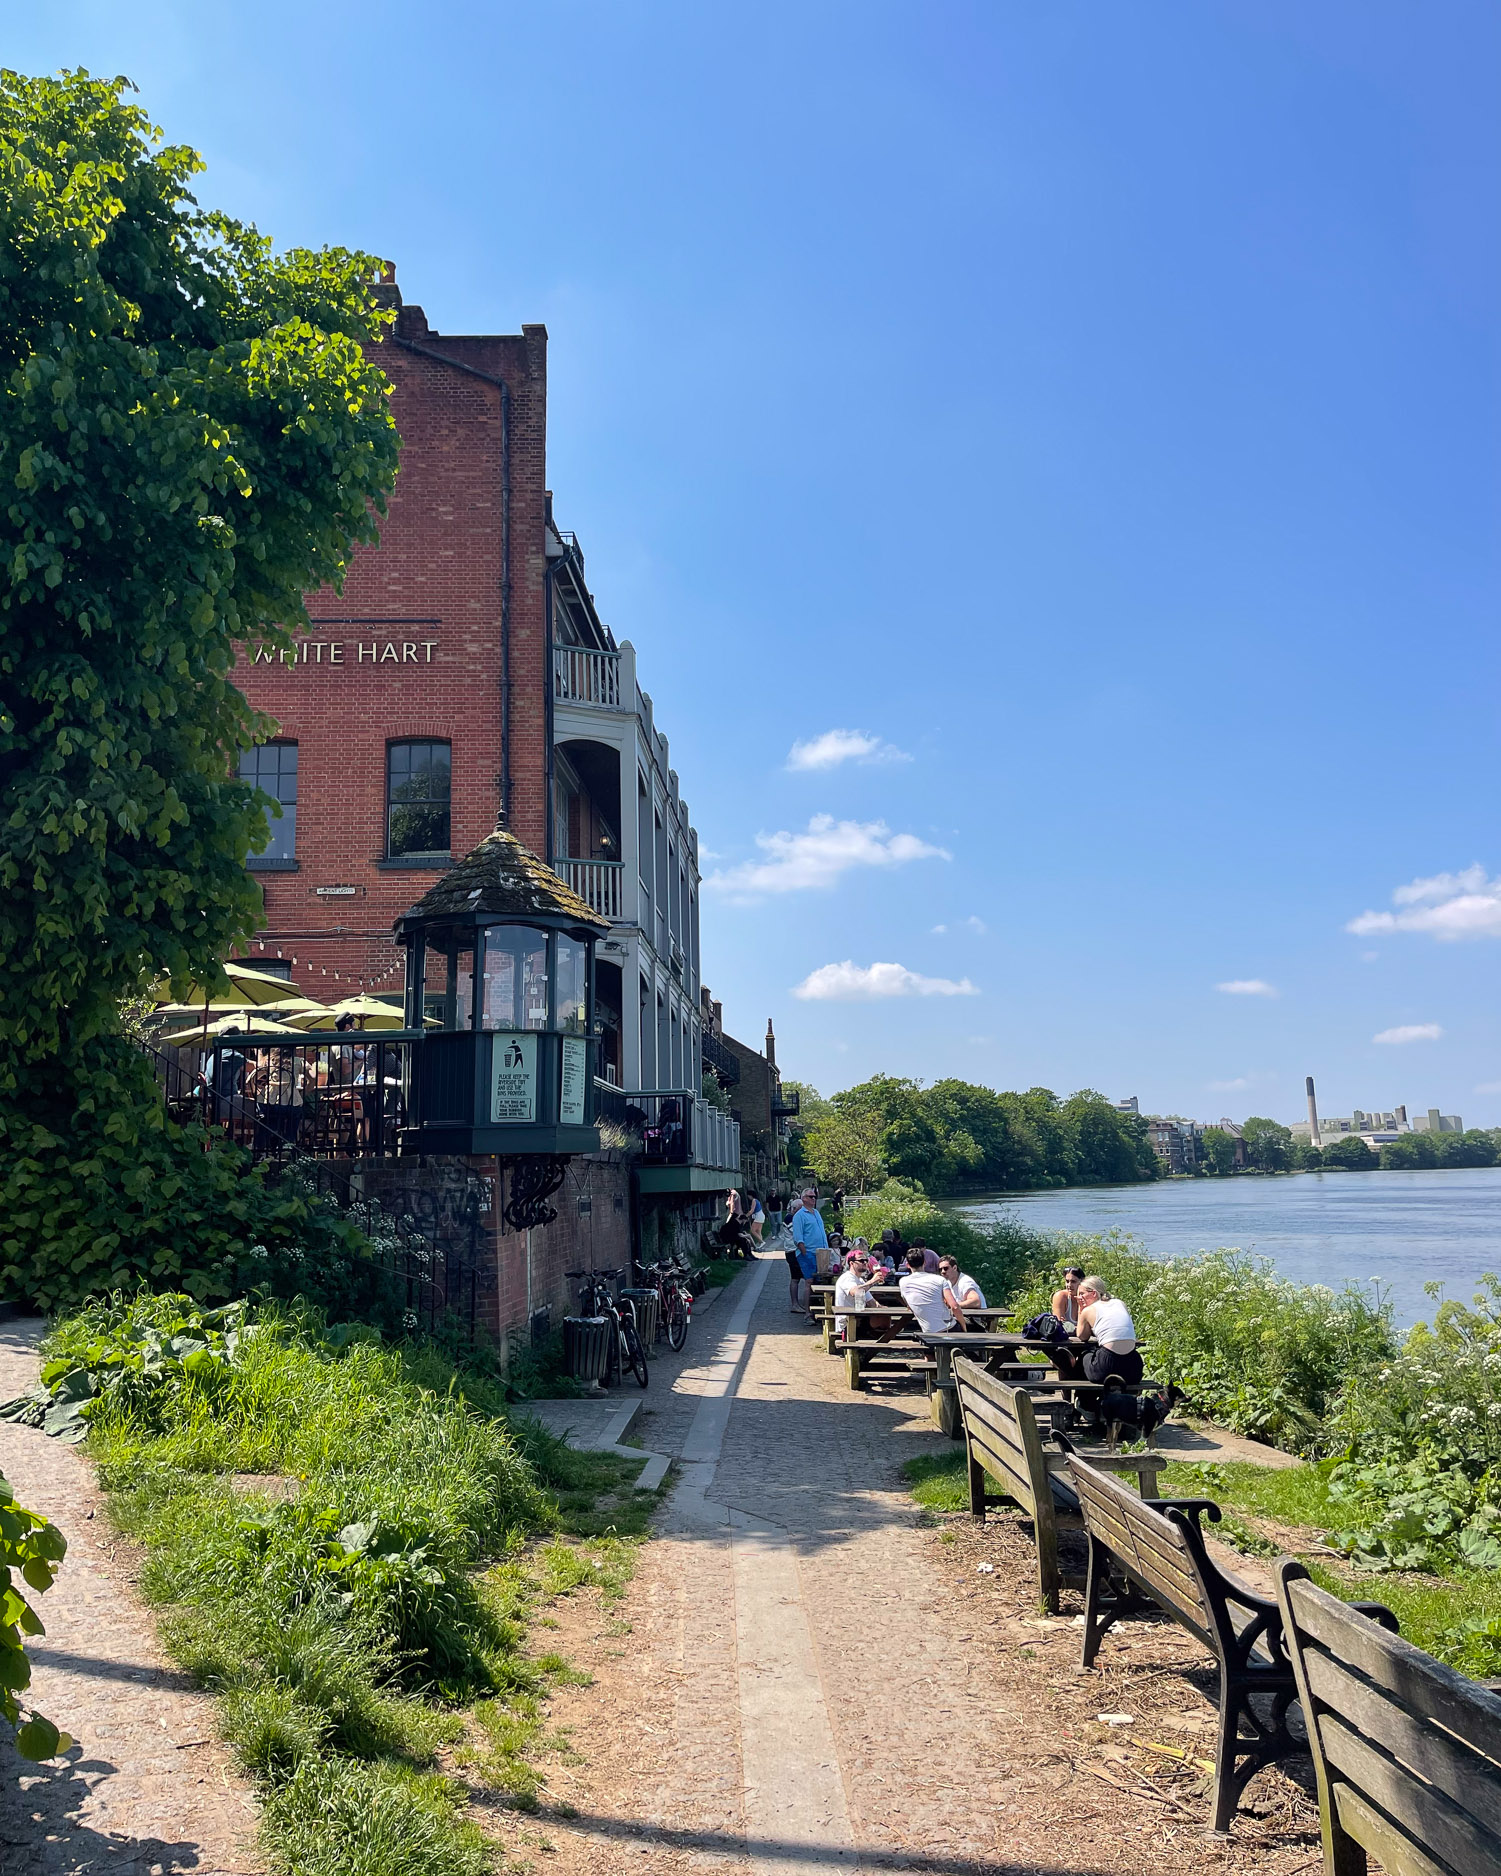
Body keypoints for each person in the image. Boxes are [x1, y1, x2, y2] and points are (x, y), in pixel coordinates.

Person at [1074, 1277, 1143, 1385]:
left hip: (1106, 1367)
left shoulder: (1088, 1311)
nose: (1079, 1298)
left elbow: (1082, 1336)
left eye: (1082, 1294)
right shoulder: (1120, 1303)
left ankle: (1084, 1397)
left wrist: (1080, 1310)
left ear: (1094, 1294)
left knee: (1085, 1355)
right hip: (1133, 1367)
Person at [898, 1246, 967, 1334]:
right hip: (948, 1328)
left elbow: (909, 1305)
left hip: (928, 1331)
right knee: (973, 1327)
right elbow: (955, 1306)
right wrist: (964, 1329)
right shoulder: (940, 1280)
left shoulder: (903, 1282)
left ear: (907, 1264)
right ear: (924, 1262)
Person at [790, 1186, 827, 1314]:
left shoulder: (816, 1212)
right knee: (809, 1281)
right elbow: (798, 1238)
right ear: (803, 1198)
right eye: (811, 1197)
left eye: (815, 1196)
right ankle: (807, 1313)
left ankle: (818, 1309)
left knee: (821, 1281)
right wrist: (805, 1253)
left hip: (821, 1253)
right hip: (808, 1253)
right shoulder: (799, 1216)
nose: (814, 1199)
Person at [1051, 1266, 1087, 1333]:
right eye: (1067, 1281)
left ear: (1082, 1282)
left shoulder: (1087, 1297)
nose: (1069, 1285)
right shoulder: (1061, 1297)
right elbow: (1059, 1326)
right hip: (1064, 1341)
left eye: (1073, 1282)